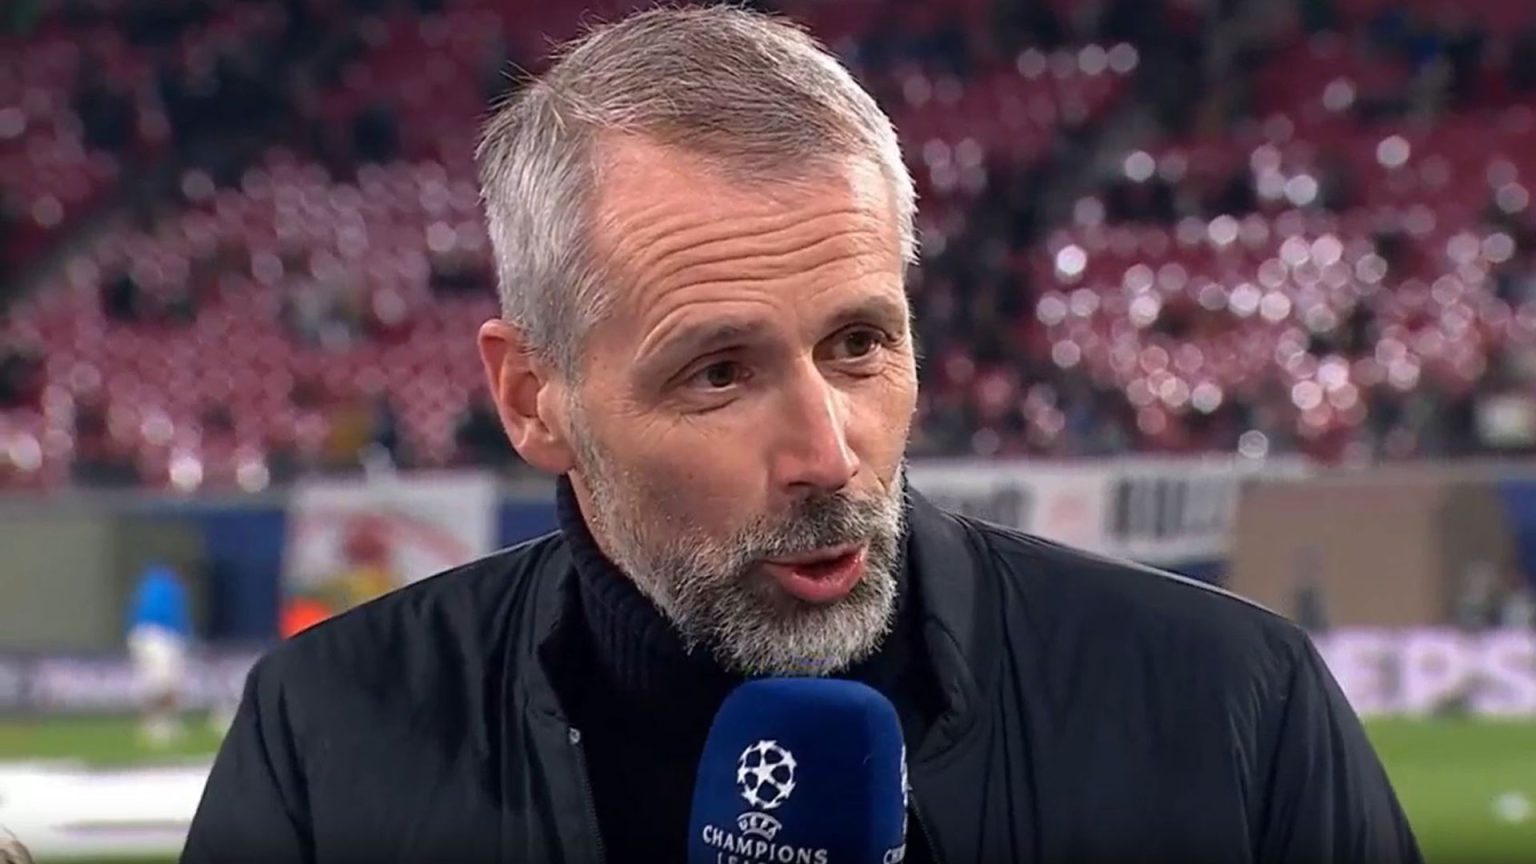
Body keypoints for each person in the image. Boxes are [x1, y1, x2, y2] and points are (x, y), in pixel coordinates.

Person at [184, 7, 1421, 864]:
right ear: (532, 397)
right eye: (720, 373)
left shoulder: (1233, 706)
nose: (830, 457)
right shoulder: (327, 735)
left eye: (859, 344)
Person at [126, 563, 193, 747]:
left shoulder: (150, 584)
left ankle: (156, 724)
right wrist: (187, 635)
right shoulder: (169, 588)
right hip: (161, 637)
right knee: (164, 683)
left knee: (156, 683)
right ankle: (159, 724)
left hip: (143, 636)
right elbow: (174, 615)